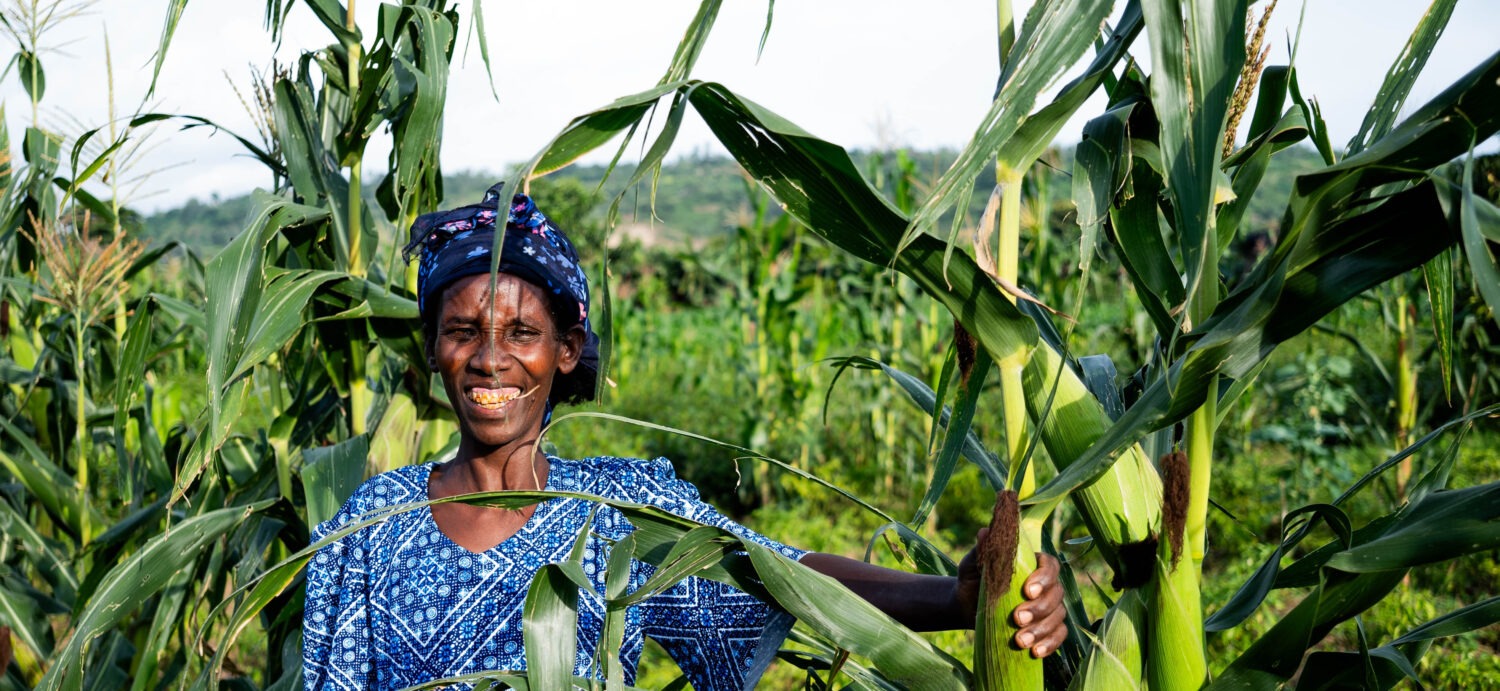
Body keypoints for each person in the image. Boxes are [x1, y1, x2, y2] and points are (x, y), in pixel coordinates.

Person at [302, 184, 1068, 690]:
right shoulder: (369, 526)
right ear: (432, 349)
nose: (491, 358)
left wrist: (960, 597)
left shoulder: (618, 510)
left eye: (523, 332)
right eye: (463, 330)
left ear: (566, 351)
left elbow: (780, 574)